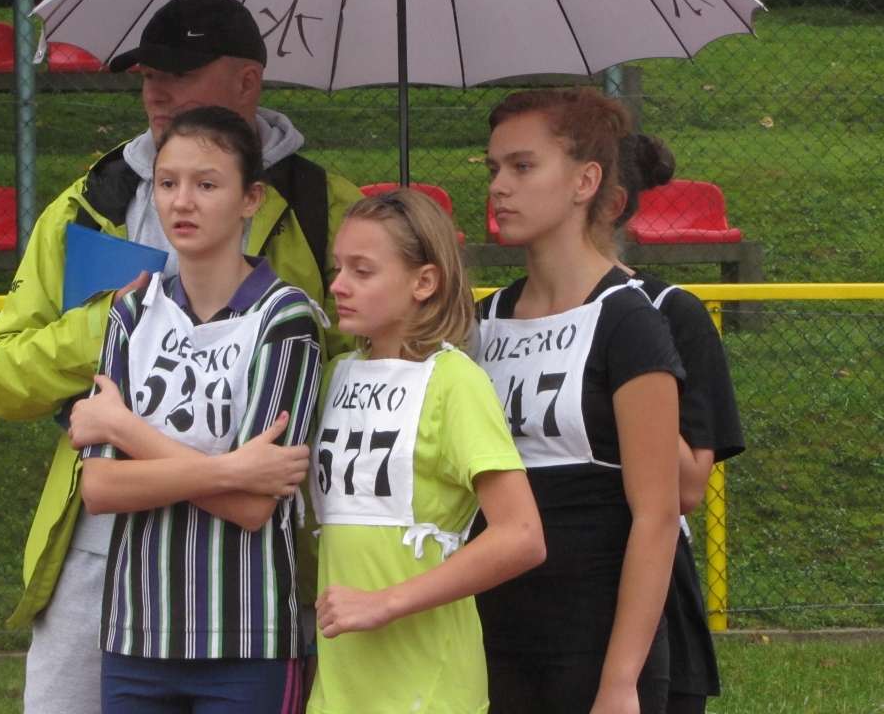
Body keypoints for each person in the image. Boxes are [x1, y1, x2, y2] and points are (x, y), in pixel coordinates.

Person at [0, 0, 362, 714]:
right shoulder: (91, 200)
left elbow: (372, 362)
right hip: (103, 549)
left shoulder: (326, 208)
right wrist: (116, 323)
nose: (156, 91)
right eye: (148, 74)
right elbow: (0, 377)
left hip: (255, 570)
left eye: (179, 73)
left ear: (247, 81)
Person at [71, 106, 321, 713]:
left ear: (250, 198)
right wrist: (229, 469)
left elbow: (252, 507)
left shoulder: (285, 318)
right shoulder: (132, 313)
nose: (182, 201)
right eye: (167, 183)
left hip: (249, 638)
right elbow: (100, 487)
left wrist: (125, 429)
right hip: (136, 635)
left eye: (206, 184)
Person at [474, 88, 684, 714]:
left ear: (585, 181)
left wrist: (620, 682)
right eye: (493, 168)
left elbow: (656, 515)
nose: (499, 186)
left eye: (523, 166)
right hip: (488, 640)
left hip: (593, 648)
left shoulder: (628, 321)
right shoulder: (484, 321)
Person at [305, 188, 546, 714]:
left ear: (424, 282)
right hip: (340, 688)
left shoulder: (455, 382)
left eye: (362, 271)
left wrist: (386, 602)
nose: (338, 285)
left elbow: (522, 536)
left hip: (429, 690)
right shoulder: (334, 376)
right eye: (338, 268)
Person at [613, 133, 746, 714]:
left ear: (604, 197)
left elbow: (688, 486)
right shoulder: (497, 319)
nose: (498, 188)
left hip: (647, 577)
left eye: (524, 167)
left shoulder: (669, 312)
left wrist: (619, 354)